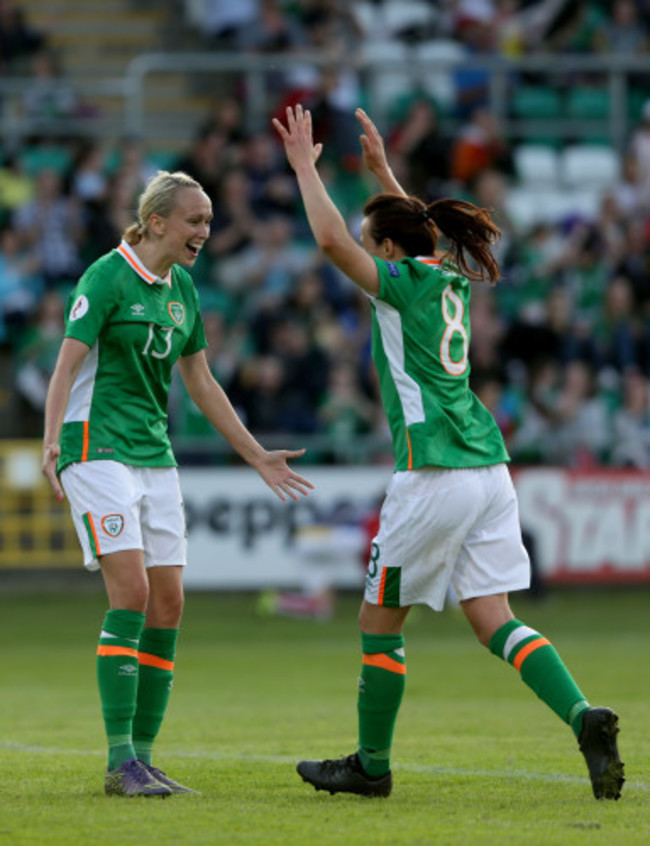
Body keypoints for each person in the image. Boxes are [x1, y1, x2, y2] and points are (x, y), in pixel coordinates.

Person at [273, 105, 624, 801]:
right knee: (495, 618)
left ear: (394, 254)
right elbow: (412, 235)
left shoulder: (402, 287)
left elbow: (331, 244)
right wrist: (381, 175)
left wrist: (307, 172)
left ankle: (372, 765)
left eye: (380, 246)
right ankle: (583, 715)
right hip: (489, 469)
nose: (372, 254)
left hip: (433, 470)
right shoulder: (448, 278)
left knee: (379, 624)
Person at [41, 170, 314, 798]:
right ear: (157, 221)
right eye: (195, 220)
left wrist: (254, 455)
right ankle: (119, 760)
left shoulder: (183, 289)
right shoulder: (106, 276)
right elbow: (65, 365)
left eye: (210, 221)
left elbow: (201, 383)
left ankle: (143, 757)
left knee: (169, 604)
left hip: (153, 456)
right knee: (131, 592)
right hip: (96, 447)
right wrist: (52, 439)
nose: (205, 232)